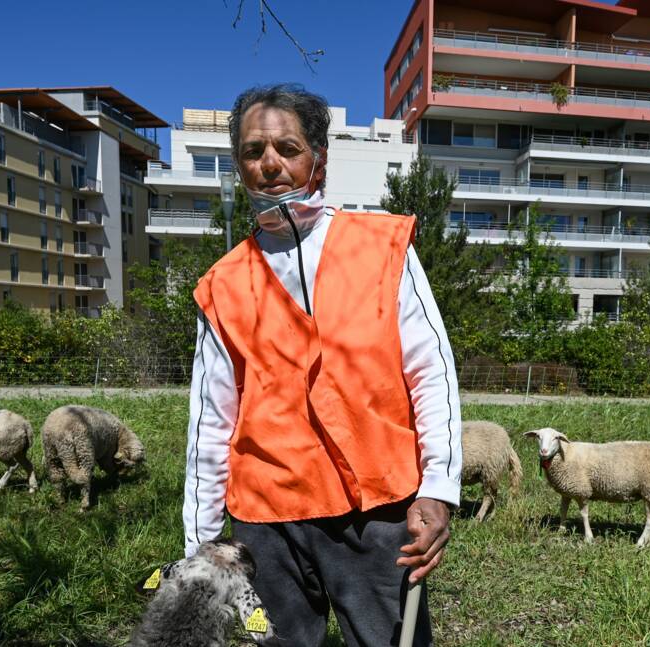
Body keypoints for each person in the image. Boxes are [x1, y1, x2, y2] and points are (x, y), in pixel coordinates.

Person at [181, 83, 462, 647]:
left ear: (319, 159)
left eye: (288, 148)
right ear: (239, 167)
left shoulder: (382, 247)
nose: (270, 164)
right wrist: (201, 541)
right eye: (254, 151)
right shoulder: (224, 284)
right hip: (267, 519)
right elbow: (210, 420)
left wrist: (439, 486)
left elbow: (432, 371)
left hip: (378, 512)